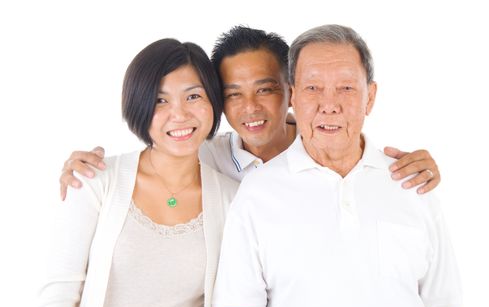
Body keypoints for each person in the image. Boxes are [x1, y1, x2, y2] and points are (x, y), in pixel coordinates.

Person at [212, 25, 463, 307]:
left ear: (370, 97)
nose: (328, 105)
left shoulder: (412, 183)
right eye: (313, 88)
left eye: (345, 88)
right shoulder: (256, 193)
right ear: (295, 95)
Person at [58, 26, 440, 196]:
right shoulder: (205, 157)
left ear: (291, 91)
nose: (251, 108)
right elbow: (154, 159)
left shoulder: (326, 149)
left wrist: (419, 167)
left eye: (266, 89)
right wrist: (91, 170)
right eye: (233, 94)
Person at [37, 39, 238, 307]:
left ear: (213, 101)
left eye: (194, 96)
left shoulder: (232, 200)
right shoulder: (95, 180)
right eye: (160, 101)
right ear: (139, 106)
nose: (180, 114)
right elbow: (57, 302)